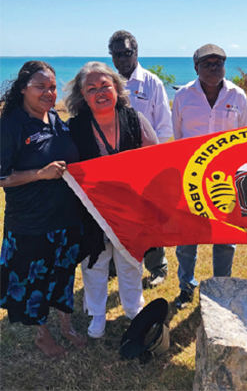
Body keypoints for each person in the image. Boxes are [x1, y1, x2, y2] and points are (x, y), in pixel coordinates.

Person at [64, 61, 159, 338]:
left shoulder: (135, 120)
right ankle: (96, 314)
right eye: (91, 88)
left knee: (130, 260)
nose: (100, 92)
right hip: (92, 210)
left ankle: (133, 309)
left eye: (105, 85)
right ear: (83, 95)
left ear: (117, 88)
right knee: (94, 263)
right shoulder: (74, 127)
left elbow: (154, 157)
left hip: (130, 208)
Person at [0, 61, 88, 357]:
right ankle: (42, 334)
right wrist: (40, 173)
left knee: (63, 275)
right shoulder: (11, 124)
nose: (49, 93)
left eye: (52, 87)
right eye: (41, 87)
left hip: (65, 217)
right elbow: (2, 177)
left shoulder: (57, 119)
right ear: (23, 88)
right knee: (34, 282)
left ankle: (66, 324)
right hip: (30, 221)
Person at [171, 44, 247, 308]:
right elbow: (178, 137)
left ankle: (221, 287)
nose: (213, 68)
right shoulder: (183, 96)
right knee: (186, 239)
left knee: (225, 239)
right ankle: (186, 286)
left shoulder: (238, 96)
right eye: (207, 64)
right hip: (191, 178)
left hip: (226, 181)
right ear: (196, 68)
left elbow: (244, 140)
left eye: (218, 63)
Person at [109, 30, 173, 288]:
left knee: (149, 218)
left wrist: (146, 158)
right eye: (117, 54)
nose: (122, 59)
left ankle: (157, 267)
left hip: (144, 163)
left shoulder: (151, 83)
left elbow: (165, 127)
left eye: (127, 53)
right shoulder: (107, 81)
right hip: (112, 163)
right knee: (115, 215)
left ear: (136, 52)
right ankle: (114, 265)